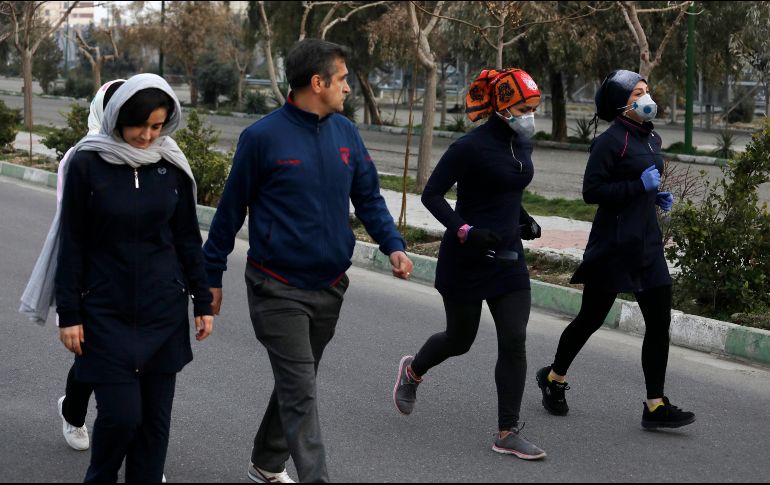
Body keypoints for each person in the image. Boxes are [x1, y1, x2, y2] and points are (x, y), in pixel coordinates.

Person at [202, 39, 414, 483]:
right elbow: (229, 212)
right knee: (302, 390)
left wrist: (392, 243)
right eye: (342, 79)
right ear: (317, 83)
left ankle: (265, 463)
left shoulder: (345, 135)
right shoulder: (262, 138)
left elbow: (369, 197)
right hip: (276, 286)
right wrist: (211, 276)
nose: (348, 89)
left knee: (296, 384)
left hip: (330, 286)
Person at [55, 73, 214, 482]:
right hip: (105, 312)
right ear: (116, 117)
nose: (147, 135)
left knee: (154, 427)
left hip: (163, 310)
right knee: (123, 417)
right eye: (139, 125)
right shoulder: (87, 163)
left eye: (157, 126)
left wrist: (201, 298)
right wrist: (69, 312)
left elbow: (185, 237)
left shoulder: (171, 164)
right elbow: (71, 241)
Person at [392, 68, 547, 460]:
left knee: (514, 339)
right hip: (466, 259)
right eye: (524, 108)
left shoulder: (521, 144)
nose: (531, 115)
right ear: (504, 108)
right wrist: (464, 230)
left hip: (509, 260)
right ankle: (412, 371)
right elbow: (431, 195)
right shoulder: (470, 146)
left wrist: (523, 218)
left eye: (534, 107)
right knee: (460, 340)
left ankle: (507, 431)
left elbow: (505, 187)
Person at [534, 69, 695, 430]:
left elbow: (643, 183)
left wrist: (654, 195)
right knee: (591, 319)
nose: (647, 96)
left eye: (647, 89)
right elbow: (593, 192)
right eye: (638, 92)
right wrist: (637, 186)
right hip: (615, 245)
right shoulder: (611, 141)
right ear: (623, 104)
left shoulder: (651, 139)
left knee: (658, 323)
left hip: (647, 245)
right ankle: (554, 378)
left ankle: (655, 405)